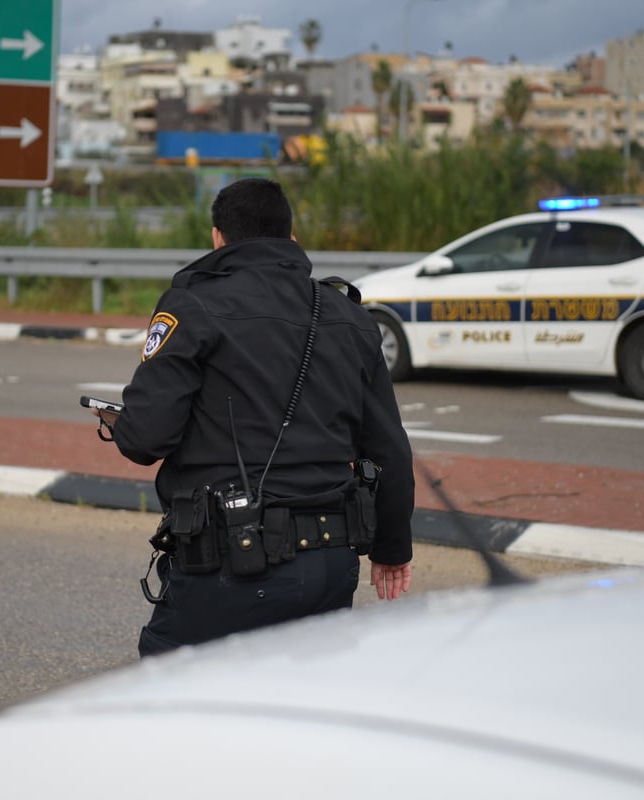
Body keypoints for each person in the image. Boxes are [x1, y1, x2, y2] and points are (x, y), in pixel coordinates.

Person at [92, 178, 414, 657]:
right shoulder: (351, 318)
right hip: (330, 562)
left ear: (218, 238)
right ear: (292, 237)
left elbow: (145, 440)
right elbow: (388, 447)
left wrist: (123, 423)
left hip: (232, 561)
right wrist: (392, 549)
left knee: (168, 696)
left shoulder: (193, 305)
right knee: (298, 706)